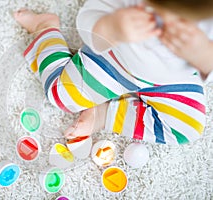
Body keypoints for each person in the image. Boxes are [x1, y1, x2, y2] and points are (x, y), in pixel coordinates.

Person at [13, 0, 213, 145]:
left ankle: (102, 114)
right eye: (158, 11)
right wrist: (113, 27)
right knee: (60, 96)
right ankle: (45, 28)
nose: (168, 26)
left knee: (188, 129)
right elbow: (88, 19)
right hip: (115, 61)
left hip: (172, 79)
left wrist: (204, 54)